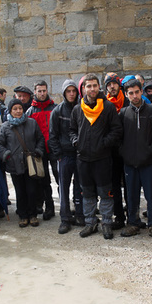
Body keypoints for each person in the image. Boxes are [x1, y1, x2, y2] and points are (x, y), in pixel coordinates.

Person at [69, 73, 122, 239]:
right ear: (83, 88)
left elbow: (117, 130)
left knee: (106, 193)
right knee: (88, 194)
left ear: (99, 87)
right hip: (83, 159)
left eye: (94, 85)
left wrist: (103, 143)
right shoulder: (78, 109)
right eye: (88, 86)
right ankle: (90, 223)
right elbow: (71, 130)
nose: (92, 89)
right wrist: (76, 142)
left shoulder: (108, 107)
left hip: (103, 159)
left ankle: (106, 223)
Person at [118, 78, 152, 240]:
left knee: (151, 195)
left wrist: (150, 151)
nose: (134, 96)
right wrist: (125, 153)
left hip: (149, 163)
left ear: (141, 92)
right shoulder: (123, 114)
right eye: (130, 93)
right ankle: (133, 223)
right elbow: (118, 137)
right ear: (126, 94)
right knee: (131, 195)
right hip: (130, 164)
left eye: (137, 92)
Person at [0, 99, 44, 227]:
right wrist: (6, 155)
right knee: (20, 191)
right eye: (15, 109)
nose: (18, 111)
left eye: (20, 108)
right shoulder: (5, 126)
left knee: (32, 190)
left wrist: (39, 151)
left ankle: (33, 215)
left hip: (30, 163)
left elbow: (40, 139)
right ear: (10, 111)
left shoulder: (32, 123)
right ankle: (23, 215)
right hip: (14, 164)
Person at [49, 79, 84, 234]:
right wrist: (59, 155)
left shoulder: (81, 108)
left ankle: (80, 214)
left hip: (79, 154)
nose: (71, 94)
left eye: (73, 91)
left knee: (80, 186)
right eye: (68, 91)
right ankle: (65, 218)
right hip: (64, 156)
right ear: (64, 93)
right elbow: (53, 136)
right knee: (63, 188)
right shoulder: (57, 111)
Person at [25, 80, 57, 220]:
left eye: (44, 90)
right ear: (35, 92)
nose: (42, 93)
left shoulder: (55, 108)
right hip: (39, 151)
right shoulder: (30, 111)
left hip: (54, 149)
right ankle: (49, 207)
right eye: (39, 91)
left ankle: (65, 207)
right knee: (43, 181)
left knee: (60, 178)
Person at [104, 72, 128, 229]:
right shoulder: (104, 104)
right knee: (114, 187)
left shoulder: (127, 101)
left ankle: (132, 216)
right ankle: (119, 217)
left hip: (127, 150)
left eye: (114, 83)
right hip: (111, 152)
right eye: (108, 84)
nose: (112, 86)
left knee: (129, 186)